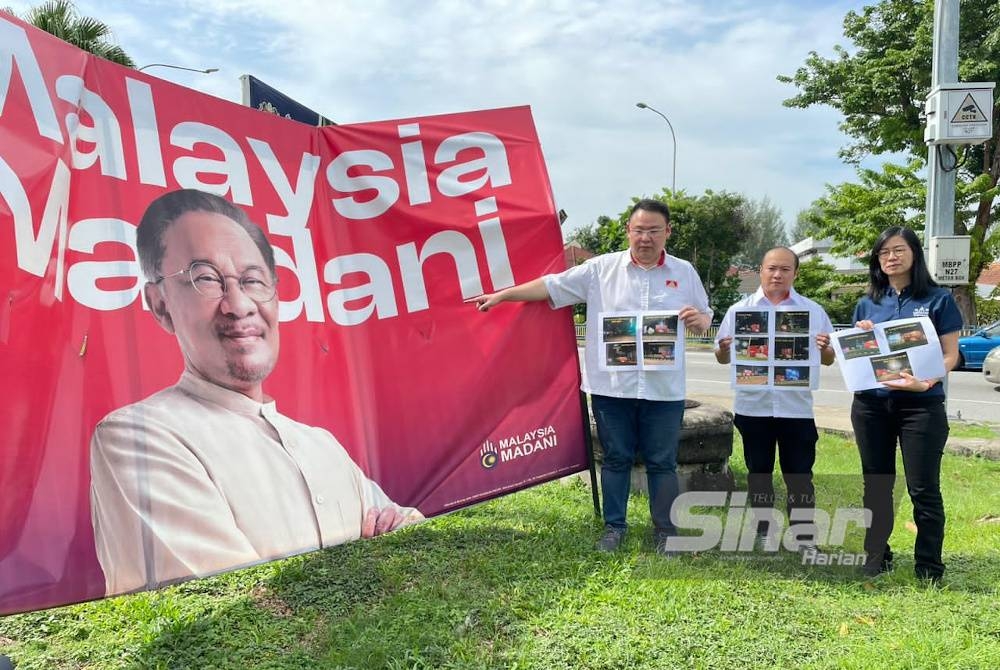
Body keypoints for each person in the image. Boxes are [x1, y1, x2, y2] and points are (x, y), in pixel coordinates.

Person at [90, 189, 421, 596]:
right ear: (159, 304)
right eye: (205, 277)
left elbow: (418, 546)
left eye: (251, 280)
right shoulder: (139, 438)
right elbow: (233, 623)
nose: (238, 304)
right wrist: (376, 572)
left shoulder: (322, 446)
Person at [472, 199, 711, 555]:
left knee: (662, 462)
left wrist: (700, 322)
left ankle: (665, 530)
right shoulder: (600, 270)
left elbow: (705, 318)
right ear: (628, 231)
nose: (645, 238)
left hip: (663, 390)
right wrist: (504, 295)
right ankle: (614, 528)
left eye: (654, 231)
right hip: (612, 389)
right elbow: (550, 287)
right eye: (639, 230)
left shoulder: (685, 272)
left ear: (667, 233)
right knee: (615, 458)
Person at [850, 227, 961, 581]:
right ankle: (876, 556)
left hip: (921, 406)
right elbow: (861, 357)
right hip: (871, 405)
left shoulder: (939, 299)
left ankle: (929, 565)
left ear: (914, 253)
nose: (891, 258)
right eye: (883, 253)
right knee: (876, 484)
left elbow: (950, 355)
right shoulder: (867, 303)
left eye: (898, 250)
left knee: (923, 487)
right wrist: (864, 333)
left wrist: (926, 380)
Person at [714, 247, 835, 549]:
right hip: (753, 406)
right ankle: (763, 530)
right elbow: (721, 357)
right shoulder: (740, 311)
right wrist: (726, 350)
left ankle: (804, 536)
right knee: (759, 472)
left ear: (795, 273)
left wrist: (825, 349)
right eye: (771, 268)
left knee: (799, 474)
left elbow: (831, 359)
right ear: (761, 270)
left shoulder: (812, 311)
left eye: (784, 269)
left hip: (796, 409)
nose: (777, 274)